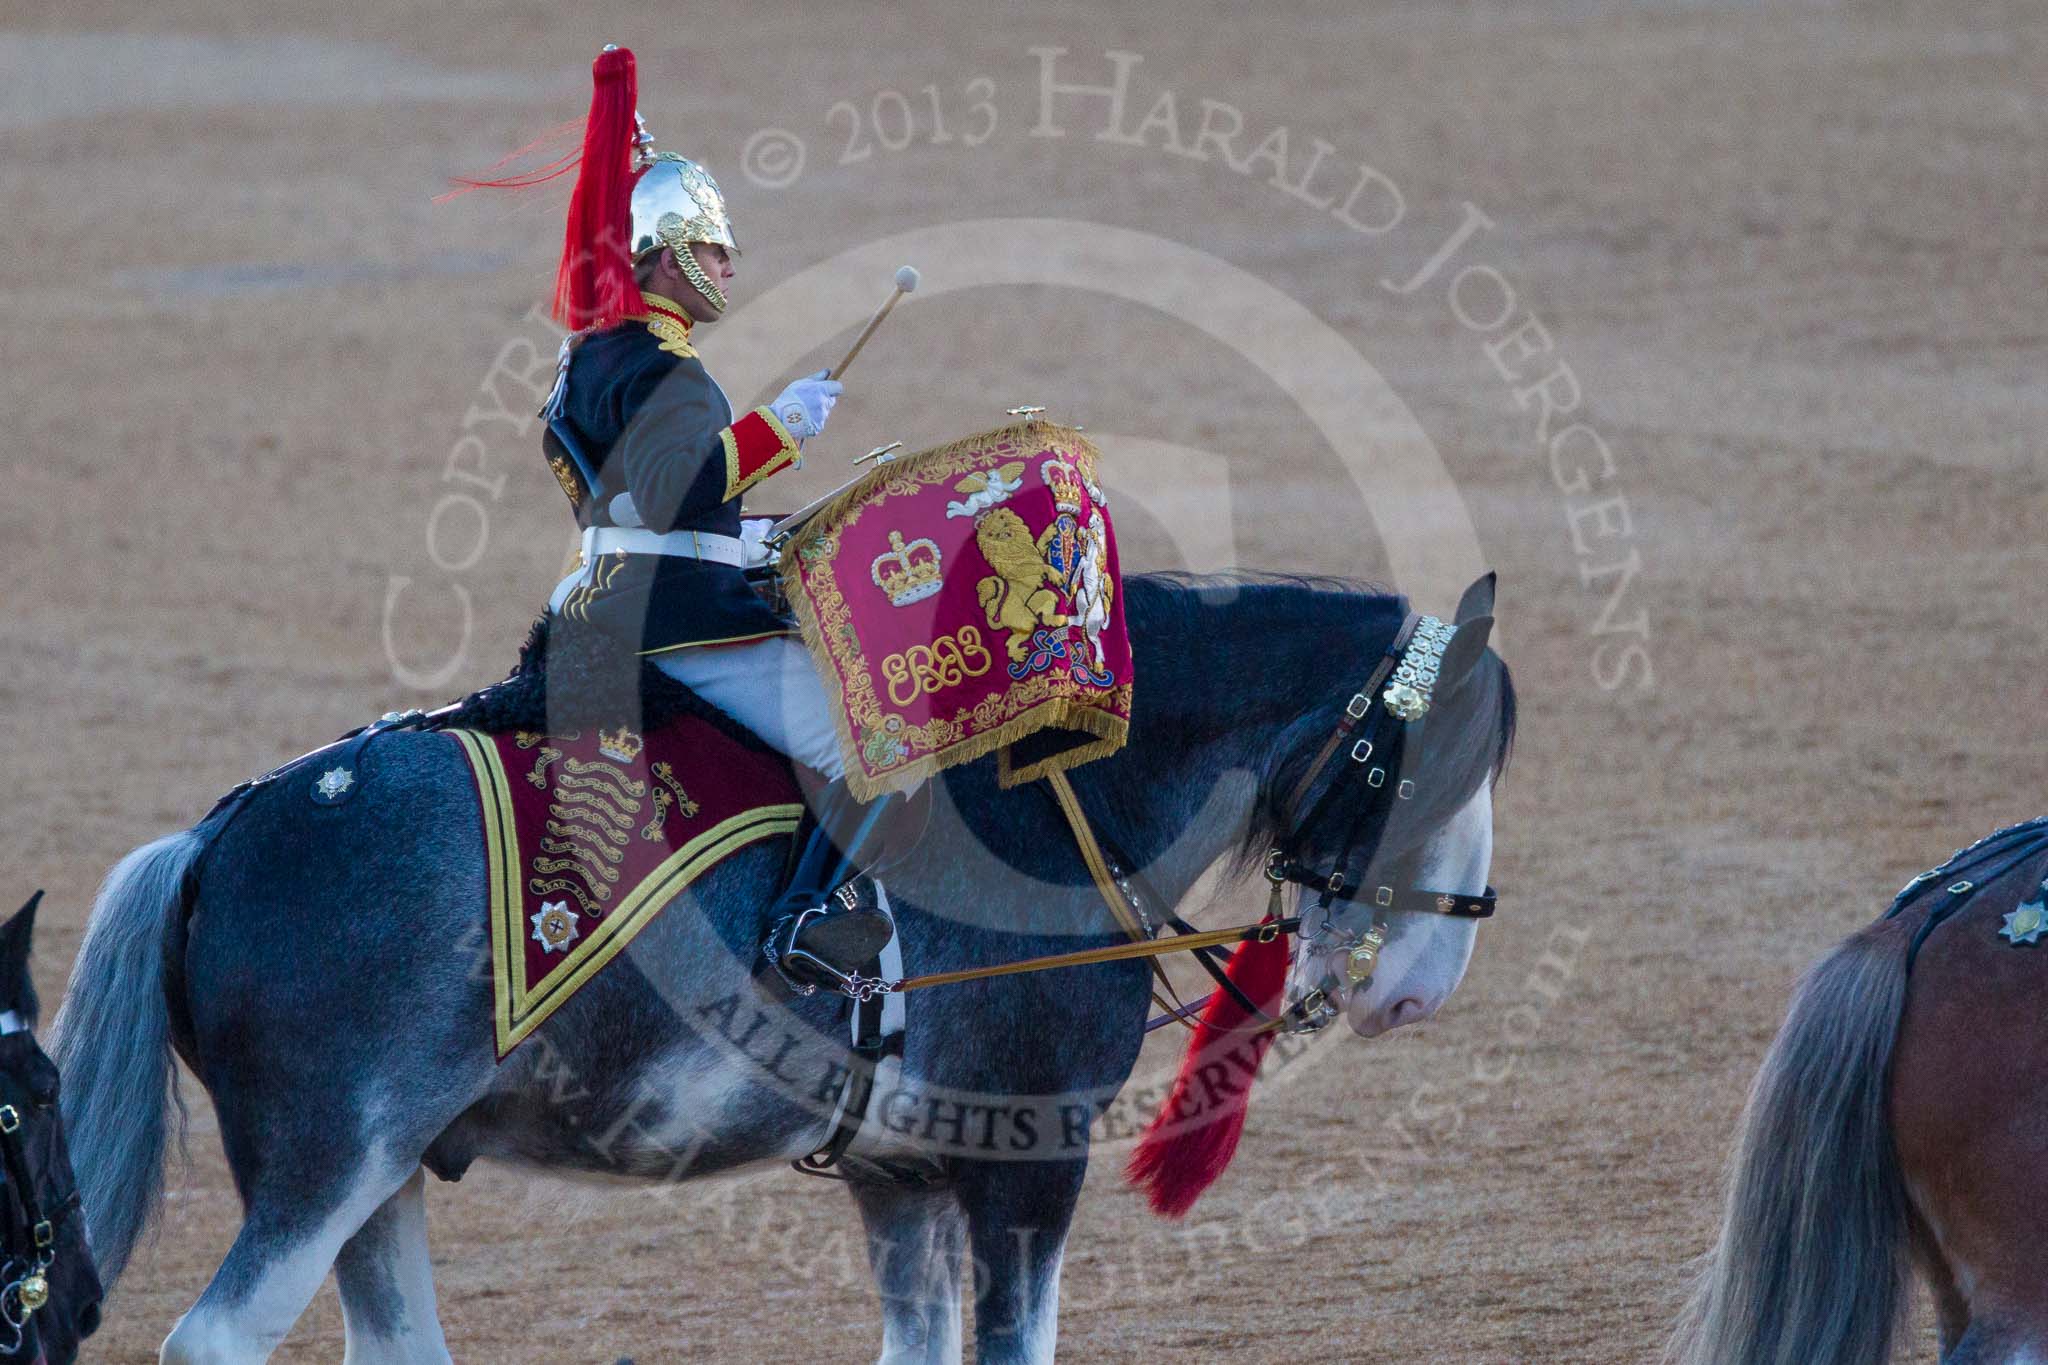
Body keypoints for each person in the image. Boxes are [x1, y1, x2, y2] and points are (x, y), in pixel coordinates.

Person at [521, 46, 895, 992]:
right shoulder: (665, 366)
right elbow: (681, 483)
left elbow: (639, 503)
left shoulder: (590, 359)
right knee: (872, 741)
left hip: (596, 602)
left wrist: (767, 530)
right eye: (718, 246)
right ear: (670, 251)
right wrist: (785, 426)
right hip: (672, 620)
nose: (731, 262)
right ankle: (808, 921)